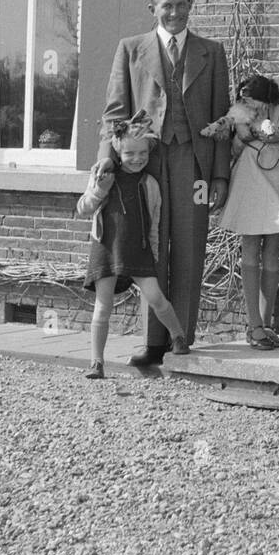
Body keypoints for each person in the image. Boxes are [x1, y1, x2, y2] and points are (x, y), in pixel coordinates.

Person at [98, 0, 230, 370]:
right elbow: (114, 112)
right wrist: (108, 157)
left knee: (189, 247)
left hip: (194, 164)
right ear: (151, 8)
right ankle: (153, 340)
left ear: (192, 5)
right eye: (165, 5)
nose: (174, 12)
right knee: (149, 248)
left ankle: (181, 337)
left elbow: (222, 119)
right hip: (145, 164)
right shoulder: (131, 49)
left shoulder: (212, 52)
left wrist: (220, 175)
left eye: (180, 4)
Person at [217, 36, 279, 347]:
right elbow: (239, 118)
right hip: (256, 172)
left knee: (275, 249)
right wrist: (249, 134)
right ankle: (254, 325)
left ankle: (266, 322)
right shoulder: (267, 84)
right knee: (251, 245)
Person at [77, 114, 187, 380]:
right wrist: (99, 190)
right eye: (129, 153)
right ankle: (96, 362)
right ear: (118, 150)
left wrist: (155, 254)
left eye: (142, 153)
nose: (136, 158)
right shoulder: (103, 175)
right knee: (103, 307)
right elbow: (83, 208)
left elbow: (154, 223)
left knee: (156, 297)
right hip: (106, 248)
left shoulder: (150, 184)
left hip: (138, 250)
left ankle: (178, 337)